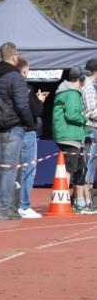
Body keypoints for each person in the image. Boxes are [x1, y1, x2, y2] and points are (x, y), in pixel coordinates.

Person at [0, 42, 34, 220]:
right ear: (14, 57)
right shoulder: (16, 78)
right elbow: (22, 105)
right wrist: (29, 123)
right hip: (12, 127)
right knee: (9, 168)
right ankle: (5, 208)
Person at [52, 66, 91, 213]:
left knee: (81, 168)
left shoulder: (70, 91)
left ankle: (79, 202)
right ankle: (63, 202)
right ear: (81, 79)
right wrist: (85, 119)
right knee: (69, 169)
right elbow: (72, 115)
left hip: (73, 135)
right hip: (69, 136)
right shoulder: (72, 93)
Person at [16, 57, 48, 219]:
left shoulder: (5, 88)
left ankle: (9, 205)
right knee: (28, 169)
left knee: (11, 170)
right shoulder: (26, 89)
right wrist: (39, 101)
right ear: (24, 71)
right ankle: (23, 205)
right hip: (26, 131)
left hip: (9, 132)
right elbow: (36, 111)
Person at [82, 58, 97, 191]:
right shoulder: (89, 87)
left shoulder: (87, 85)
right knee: (88, 165)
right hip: (90, 129)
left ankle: (84, 197)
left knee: (88, 164)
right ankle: (85, 198)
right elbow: (91, 112)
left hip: (89, 128)